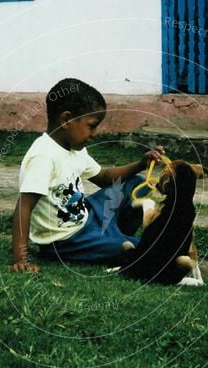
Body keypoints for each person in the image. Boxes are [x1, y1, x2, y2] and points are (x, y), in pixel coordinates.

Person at [11, 77, 164, 272]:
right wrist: (21, 258)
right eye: (92, 126)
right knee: (132, 250)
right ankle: (123, 243)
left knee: (135, 184)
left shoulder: (74, 148)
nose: (95, 133)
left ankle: (116, 234)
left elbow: (105, 178)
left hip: (88, 216)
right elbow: (23, 207)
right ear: (66, 120)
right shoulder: (43, 156)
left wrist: (141, 164)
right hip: (67, 240)